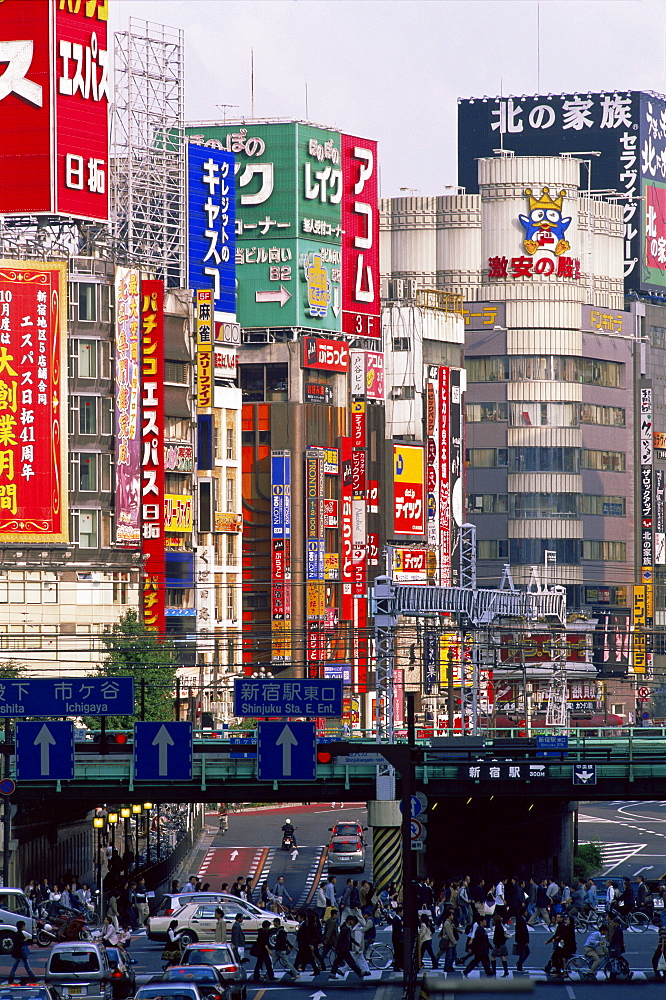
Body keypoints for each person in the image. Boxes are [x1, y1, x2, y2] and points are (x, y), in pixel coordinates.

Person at [329, 915, 368, 979]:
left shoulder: (347, 928)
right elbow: (340, 939)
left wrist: (357, 943)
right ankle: (359, 972)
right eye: (352, 920)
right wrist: (337, 948)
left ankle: (332, 973)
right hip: (344, 949)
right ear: (349, 921)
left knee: (337, 961)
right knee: (350, 962)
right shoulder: (344, 929)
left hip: (343, 949)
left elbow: (350, 938)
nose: (353, 922)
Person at [438, 908, 458, 972]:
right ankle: (447, 967)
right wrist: (454, 941)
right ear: (449, 916)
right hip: (449, 942)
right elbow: (449, 934)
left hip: (449, 941)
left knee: (452, 954)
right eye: (452, 915)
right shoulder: (447, 923)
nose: (453, 916)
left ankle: (449, 966)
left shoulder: (449, 923)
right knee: (449, 955)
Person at [514, 903, 530, 973]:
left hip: (520, 939)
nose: (526, 913)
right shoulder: (521, 920)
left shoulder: (520, 919)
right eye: (526, 911)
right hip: (522, 940)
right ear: (523, 913)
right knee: (523, 953)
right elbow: (523, 932)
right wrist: (526, 941)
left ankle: (519, 964)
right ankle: (519, 966)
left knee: (524, 952)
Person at [651, 916, 666, 980]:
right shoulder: (662, 927)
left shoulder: (661, 928)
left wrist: (662, 947)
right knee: (665, 960)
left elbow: (663, 938)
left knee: (654, 959)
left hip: (662, 946)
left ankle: (657, 974)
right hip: (663, 946)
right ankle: (664, 974)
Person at [391, 905, 404, 972]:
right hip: (397, 939)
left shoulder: (398, 919)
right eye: (402, 911)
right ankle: (397, 966)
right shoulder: (396, 920)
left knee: (399, 952)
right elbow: (397, 930)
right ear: (399, 912)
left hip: (397, 938)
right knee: (398, 953)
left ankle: (399, 965)